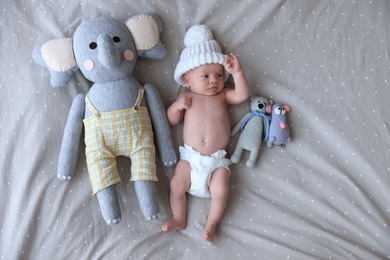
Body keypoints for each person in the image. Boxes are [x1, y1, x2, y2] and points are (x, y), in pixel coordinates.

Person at [161, 24, 250, 242]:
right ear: (187, 80)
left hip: (216, 162)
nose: (214, 80)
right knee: (176, 184)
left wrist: (236, 73)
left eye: (219, 75)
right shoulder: (187, 98)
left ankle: (211, 223)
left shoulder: (222, 96)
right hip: (190, 159)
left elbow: (242, 95)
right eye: (206, 76)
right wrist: (176, 108)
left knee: (220, 189)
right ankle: (178, 217)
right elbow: (170, 121)